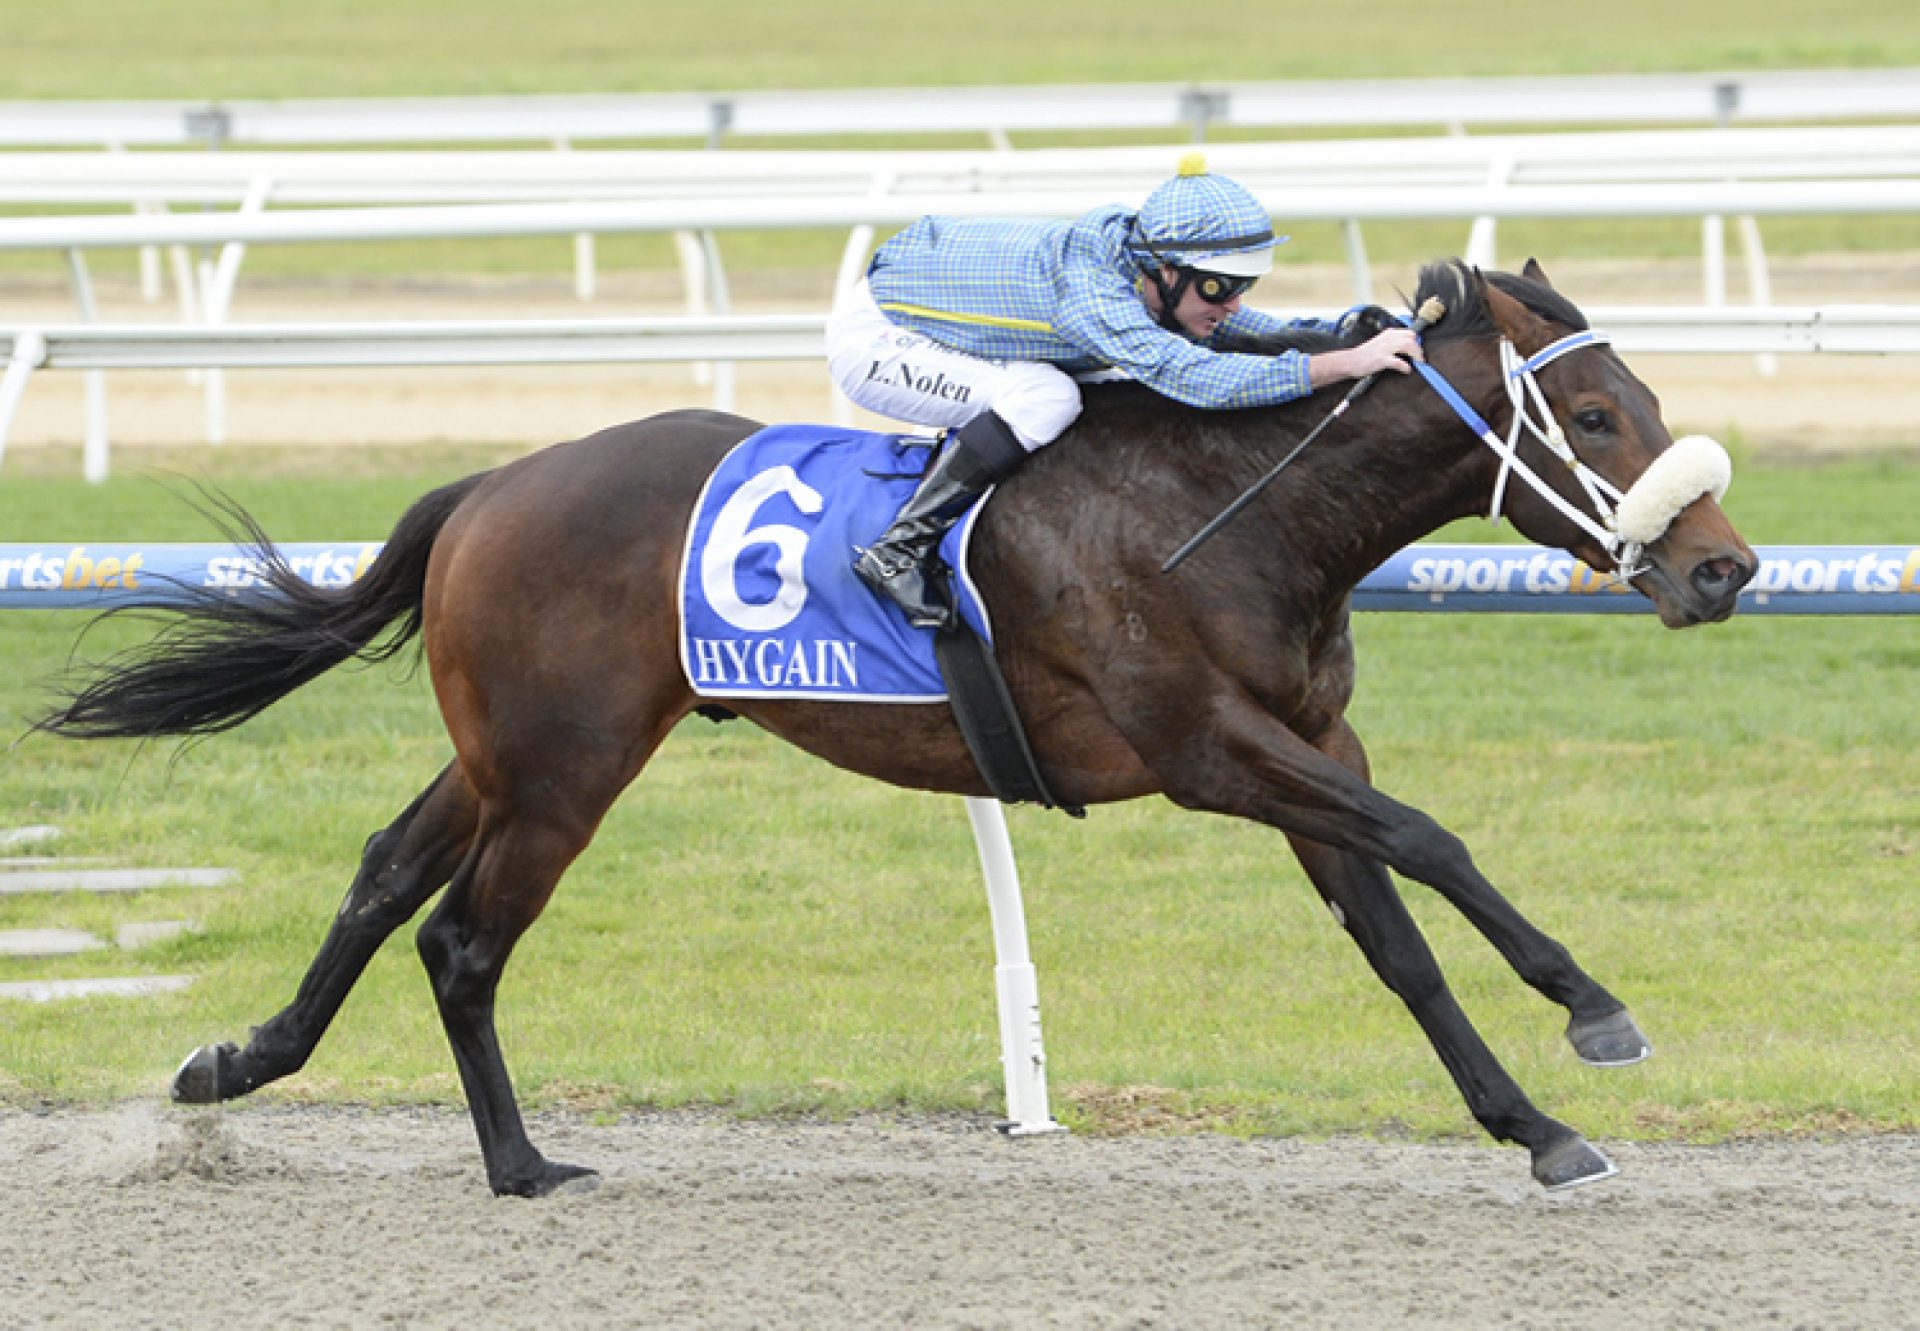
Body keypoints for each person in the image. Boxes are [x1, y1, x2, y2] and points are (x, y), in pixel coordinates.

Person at [828, 152, 1424, 629]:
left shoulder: (1149, 271)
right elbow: (1198, 379)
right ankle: (899, 549)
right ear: (1167, 271)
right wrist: (1345, 363)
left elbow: (1241, 329)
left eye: (1241, 284)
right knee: (1046, 397)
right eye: (1219, 287)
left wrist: (1348, 328)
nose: (1233, 303)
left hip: (952, 315)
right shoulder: (1097, 296)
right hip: (882, 338)